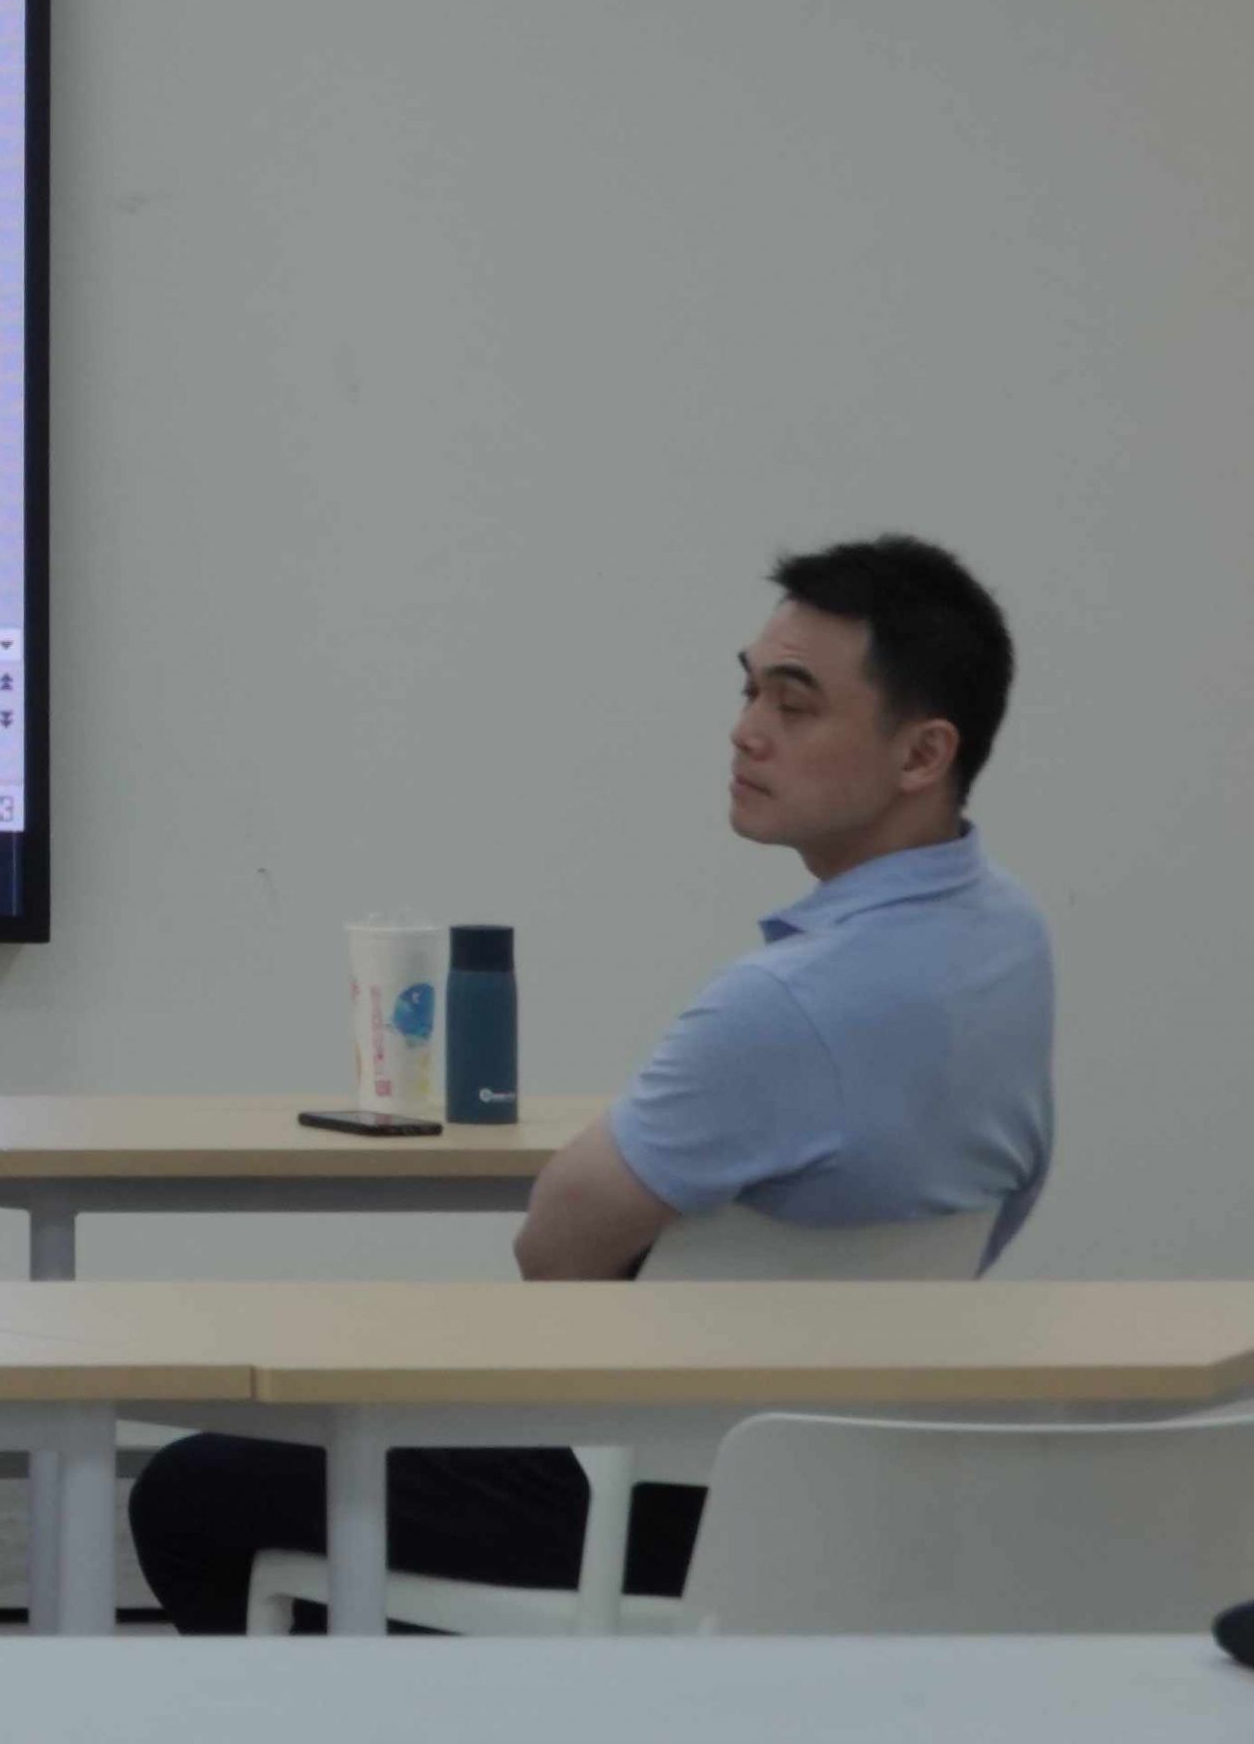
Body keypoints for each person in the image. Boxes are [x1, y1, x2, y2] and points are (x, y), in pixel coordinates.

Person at [129, 536, 1051, 1633]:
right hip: (851, 1483)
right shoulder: (1009, 941)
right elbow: (1009, 1198)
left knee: (190, 1492)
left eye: (794, 704)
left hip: (656, 1504)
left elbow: (555, 1249)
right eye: (748, 689)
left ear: (922, 752)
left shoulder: (786, 1003)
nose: (746, 729)